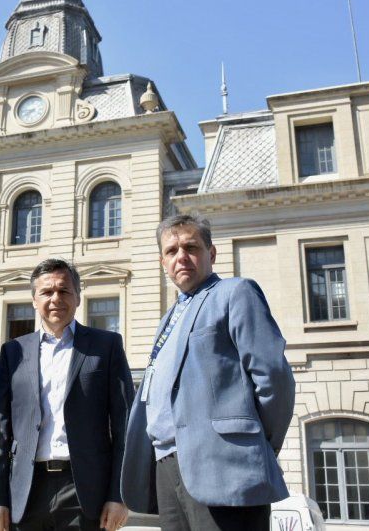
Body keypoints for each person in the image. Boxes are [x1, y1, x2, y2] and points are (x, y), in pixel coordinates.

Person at [120, 214, 295, 531]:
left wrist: (255, 443)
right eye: (171, 251)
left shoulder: (235, 292)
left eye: (191, 247)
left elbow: (273, 376)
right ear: (163, 262)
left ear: (211, 253)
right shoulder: (168, 319)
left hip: (226, 464)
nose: (181, 257)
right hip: (167, 466)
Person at [0, 258, 135, 531]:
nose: (55, 298)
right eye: (47, 292)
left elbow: (125, 425)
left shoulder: (107, 346)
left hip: (85, 493)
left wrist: (119, 495)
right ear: (34, 300)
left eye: (64, 290)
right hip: (25, 493)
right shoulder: (13, 352)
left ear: (77, 296)